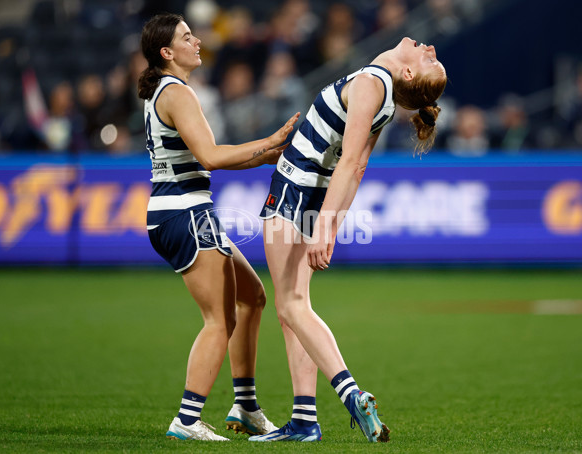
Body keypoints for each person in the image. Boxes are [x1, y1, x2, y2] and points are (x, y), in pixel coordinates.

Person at [250, 37, 447, 442]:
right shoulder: (384, 95)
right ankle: (304, 419)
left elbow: (353, 160)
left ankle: (350, 393)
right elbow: (355, 169)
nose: (427, 46)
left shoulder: (373, 81)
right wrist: (330, 223)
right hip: (315, 192)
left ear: (407, 72)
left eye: (429, 57)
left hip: (294, 188)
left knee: (290, 305)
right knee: (295, 310)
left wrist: (326, 227)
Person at [137, 13, 300, 442]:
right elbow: (210, 156)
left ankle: (245, 406)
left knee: (253, 297)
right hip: (186, 213)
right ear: (166, 53)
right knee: (219, 319)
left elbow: (204, 157)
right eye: (187, 37)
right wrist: (267, 142)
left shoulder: (166, 91)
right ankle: (186, 420)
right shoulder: (177, 92)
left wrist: (258, 157)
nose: (197, 41)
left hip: (181, 211)